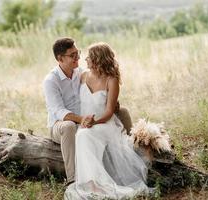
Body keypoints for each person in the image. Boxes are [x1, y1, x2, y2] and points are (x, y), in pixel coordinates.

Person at [64, 42, 151, 199]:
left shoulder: (112, 80)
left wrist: (93, 122)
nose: (86, 60)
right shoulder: (83, 76)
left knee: (83, 135)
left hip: (104, 124)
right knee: (83, 135)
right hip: (86, 125)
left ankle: (96, 184)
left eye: (89, 57)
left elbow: (110, 111)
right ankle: (92, 183)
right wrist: (82, 121)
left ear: (97, 59)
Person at [43, 38, 133, 186]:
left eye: (77, 53)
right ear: (60, 59)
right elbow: (58, 111)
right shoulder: (51, 80)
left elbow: (101, 80)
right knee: (69, 126)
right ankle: (72, 178)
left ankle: (131, 152)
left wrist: (111, 99)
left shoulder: (81, 73)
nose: (78, 57)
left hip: (86, 120)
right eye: (73, 55)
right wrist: (82, 120)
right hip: (60, 125)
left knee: (123, 112)